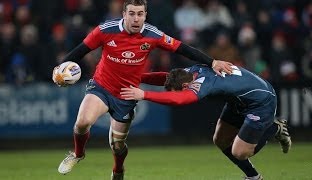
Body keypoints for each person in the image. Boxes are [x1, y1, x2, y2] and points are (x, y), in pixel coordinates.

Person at [52, 0, 234, 179]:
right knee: (83, 121)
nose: (136, 18)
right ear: (124, 14)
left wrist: (212, 62)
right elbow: (79, 51)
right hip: (102, 86)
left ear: (145, 15)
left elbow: (183, 49)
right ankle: (77, 154)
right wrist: (59, 70)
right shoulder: (105, 30)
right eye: (131, 13)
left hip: (127, 94)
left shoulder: (153, 35)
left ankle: (118, 170)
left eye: (140, 14)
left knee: (117, 145)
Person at [120, 64, 292, 180]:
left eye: (177, 91)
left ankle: (275, 128)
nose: (175, 94)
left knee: (240, 152)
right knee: (220, 140)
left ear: (186, 86)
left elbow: (180, 100)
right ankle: (253, 177)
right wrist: (137, 77)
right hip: (239, 100)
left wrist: (144, 95)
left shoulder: (203, 84)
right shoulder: (189, 73)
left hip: (261, 101)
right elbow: (165, 77)